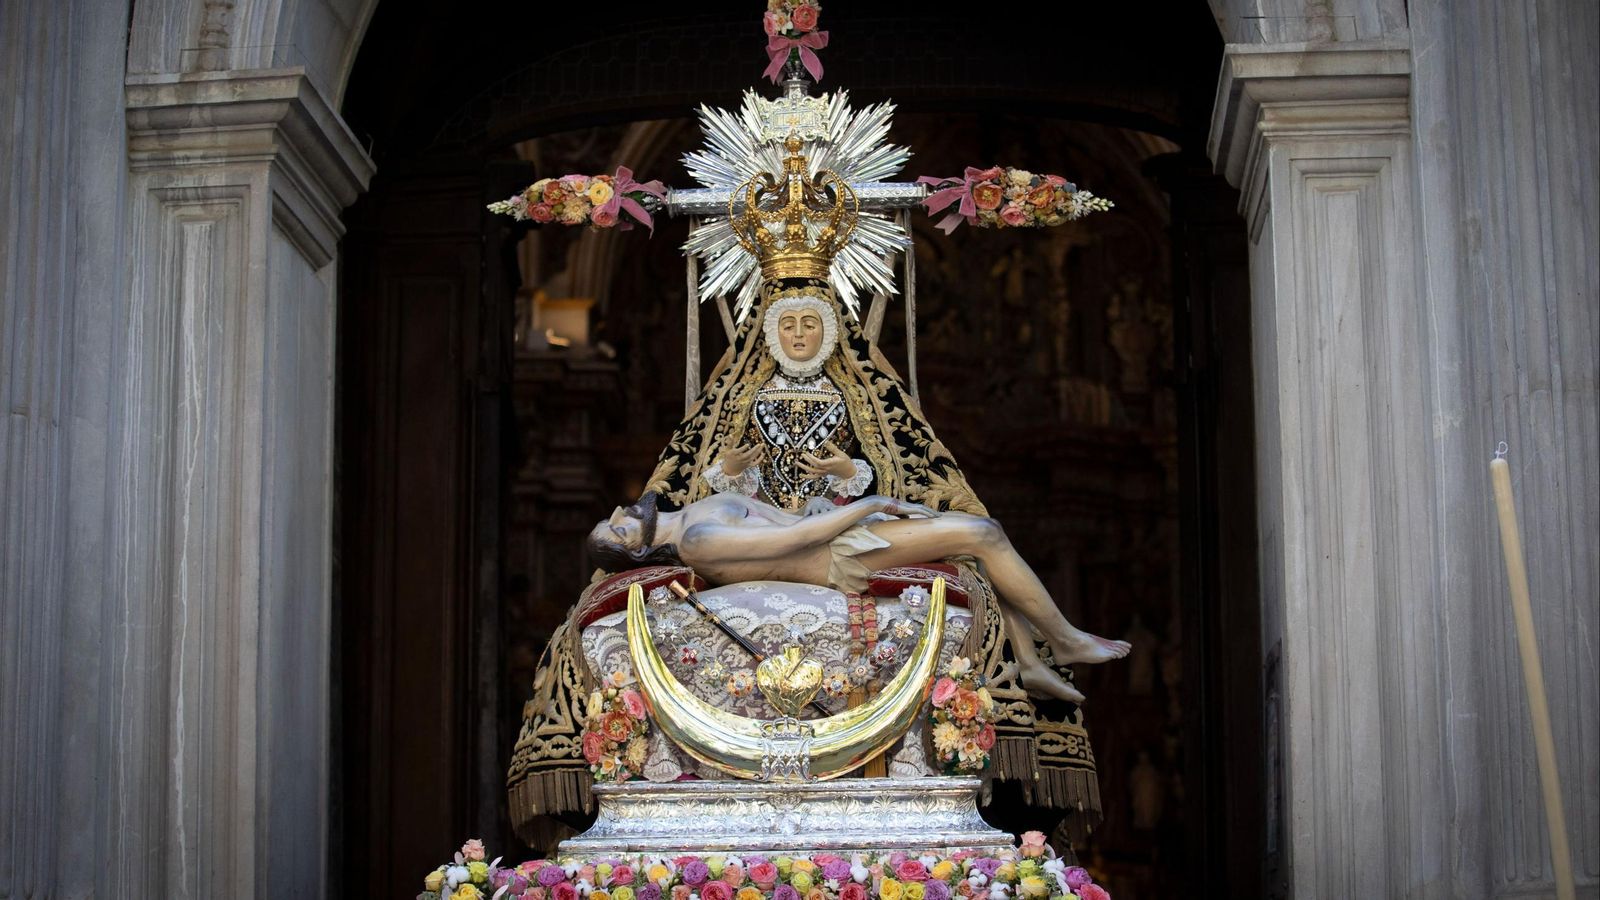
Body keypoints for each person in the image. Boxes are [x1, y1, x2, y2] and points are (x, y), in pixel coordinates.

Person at [587, 491, 1131, 702]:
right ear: (636, 555)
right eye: (617, 533)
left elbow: (797, 519)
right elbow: (796, 541)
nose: (619, 517)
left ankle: (1035, 659)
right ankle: (1063, 640)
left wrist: (830, 503)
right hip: (839, 559)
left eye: (611, 520)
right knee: (982, 534)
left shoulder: (700, 508)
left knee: (972, 542)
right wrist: (871, 504)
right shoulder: (696, 540)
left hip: (838, 536)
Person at [701, 291, 872, 513]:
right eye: (788, 326)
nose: (798, 334)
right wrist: (731, 469)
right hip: (758, 519)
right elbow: (705, 456)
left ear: (828, 329)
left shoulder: (855, 392)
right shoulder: (741, 393)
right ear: (773, 331)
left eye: (809, 325)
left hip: (834, 515)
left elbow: (884, 459)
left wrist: (849, 471)